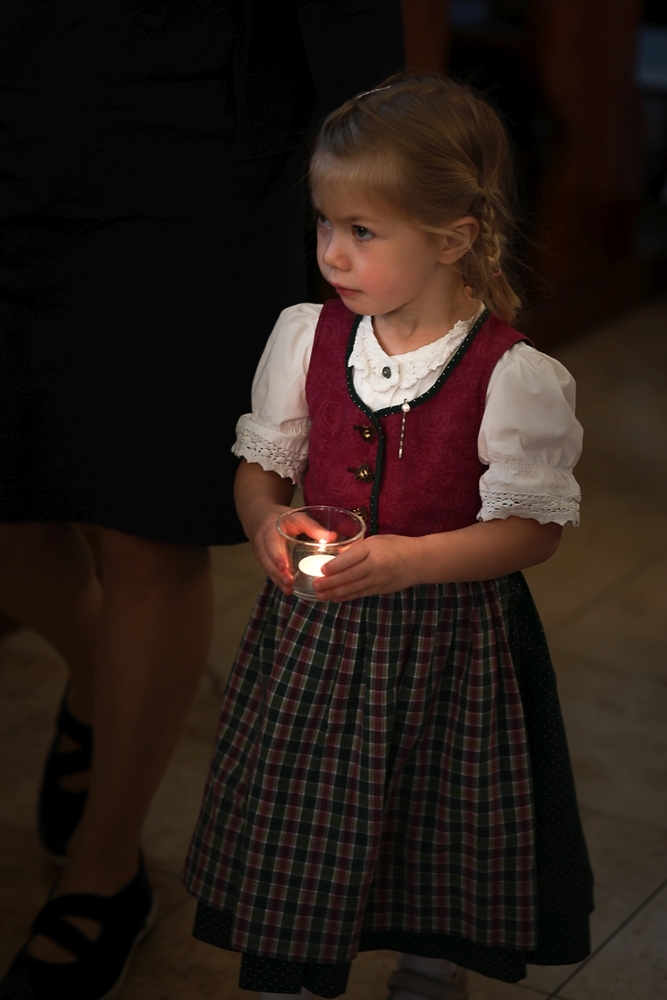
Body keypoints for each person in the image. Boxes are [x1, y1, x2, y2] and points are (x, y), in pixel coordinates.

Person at [0, 4, 403, 999]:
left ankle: (103, 873)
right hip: (19, 101)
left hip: (193, 150)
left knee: (145, 527)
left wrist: (381, 191)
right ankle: (105, 680)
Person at [183, 76, 595, 1000]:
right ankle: (292, 956)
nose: (331, 252)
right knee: (305, 798)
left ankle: (428, 964)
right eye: (325, 224)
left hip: (450, 642)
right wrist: (265, 518)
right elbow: (261, 469)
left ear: (451, 238)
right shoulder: (308, 337)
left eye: (363, 231)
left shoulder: (511, 375)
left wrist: (412, 558)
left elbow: (531, 534)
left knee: (436, 801)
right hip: (318, 634)